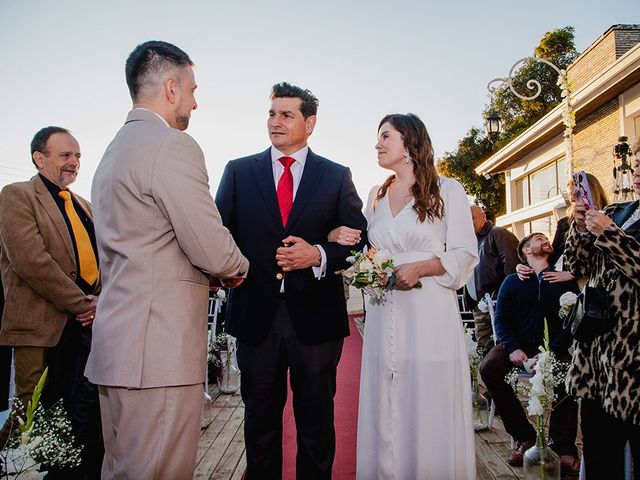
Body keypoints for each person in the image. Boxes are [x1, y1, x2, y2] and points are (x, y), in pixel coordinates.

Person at [85, 41, 249, 479]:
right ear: (171, 88)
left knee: (123, 469)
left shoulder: (113, 151)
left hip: (120, 349)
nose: (196, 101)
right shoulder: (171, 146)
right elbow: (210, 245)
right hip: (156, 353)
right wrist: (239, 267)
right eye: (193, 90)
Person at [215, 82, 367, 479]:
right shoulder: (238, 171)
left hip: (316, 320)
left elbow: (359, 239)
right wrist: (227, 272)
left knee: (317, 424)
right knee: (259, 422)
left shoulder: (335, 176)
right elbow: (217, 234)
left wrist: (317, 254)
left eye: (286, 114)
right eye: (271, 113)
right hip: (255, 316)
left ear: (309, 122)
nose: (275, 122)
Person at [349, 113, 478, 479]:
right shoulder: (375, 194)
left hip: (428, 308)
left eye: (385, 136)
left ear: (409, 143)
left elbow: (466, 252)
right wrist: (365, 263)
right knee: (385, 399)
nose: (377, 144)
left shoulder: (447, 189)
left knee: (426, 396)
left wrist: (420, 268)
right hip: (384, 306)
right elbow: (368, 248)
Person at [0, 126, 103, 478]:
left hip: (86, 331)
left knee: (80, 419)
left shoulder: (83, 205)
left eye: (77, 156)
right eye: (65, 155)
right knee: (31, 423)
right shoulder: (16, 195)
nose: (74, 163)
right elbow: (31, 261)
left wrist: (100, 300)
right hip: (42, 331)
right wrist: (82, 304)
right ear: (39, 158)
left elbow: (101, 260)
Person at [563, 140, 640, 478]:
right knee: (600, 458)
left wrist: (611, 236)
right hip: (598, 360)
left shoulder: (612, 224)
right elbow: (577, 265)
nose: (636, 171)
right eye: (636, 164)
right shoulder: (617, 211)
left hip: (634, 365)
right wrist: (581, 228)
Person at [479, 232, 580, 472]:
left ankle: (563, 447)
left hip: (553, 346)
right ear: (525, 250)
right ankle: (525, 436)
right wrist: (513, 348)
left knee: (568, 371)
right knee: (489, 368)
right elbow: (501, 319)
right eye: (538, 238)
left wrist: (551, 351)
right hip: (517, 345)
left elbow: (572, 322)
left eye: (547, 239)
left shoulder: (563, 280)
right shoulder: (513, 281)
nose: (545, 241)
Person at [516, 173, 609, 281]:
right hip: (577, 287)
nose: (573, 199)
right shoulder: (565, 223)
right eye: (570, 195)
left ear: (591, 191)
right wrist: (523, 266)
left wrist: (572, 274)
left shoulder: (612, 217)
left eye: (577, 194)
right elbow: (552, 255)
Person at [467, 205, 519, 349]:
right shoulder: (470, 242)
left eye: (472, 218)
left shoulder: (499, 234)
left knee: (502, 348)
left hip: (497, 304)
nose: (468, 222)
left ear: (483, 216)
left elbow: (512, 269)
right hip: (479, 306)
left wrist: (500, 299)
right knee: (485, 350)